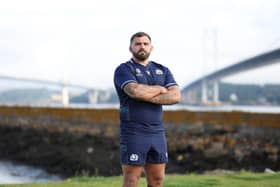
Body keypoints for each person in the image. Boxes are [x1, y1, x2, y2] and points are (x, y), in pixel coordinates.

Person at [114, 31, 181, 187]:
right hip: (133, 132)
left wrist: (147, 95)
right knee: (131, 181)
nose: (141, 47)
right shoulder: (123, 70)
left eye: (145, 44)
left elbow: (176, 96)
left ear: (151, 47)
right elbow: (134, 91)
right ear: (130, 48)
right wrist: (160, 89)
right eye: (137, 44)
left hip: (157, 132)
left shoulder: (163, 70)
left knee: (157, 181)